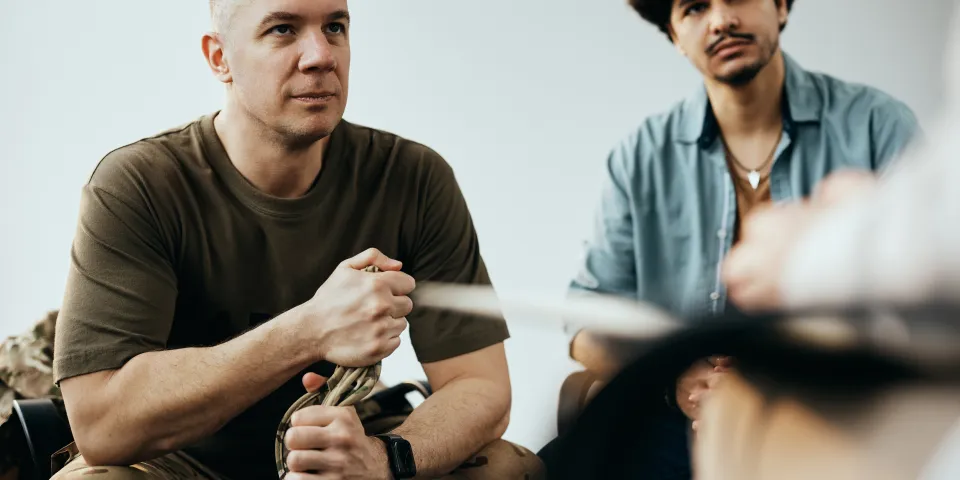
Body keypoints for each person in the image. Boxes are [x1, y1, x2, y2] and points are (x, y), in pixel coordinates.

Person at [49, 1, 543, 479]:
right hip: (180, 458)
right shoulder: (137, 184)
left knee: (507, 466)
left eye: (335, 27)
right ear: (219, 57)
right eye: (283, 29)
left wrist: (385, 458)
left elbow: (479, 384)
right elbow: (101, 425)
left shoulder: (413, 177)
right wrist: (310, 328)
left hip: (348, 439)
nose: (321, 55)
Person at [557, 0, 921, 477]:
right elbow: (587, 317)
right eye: (694, 8)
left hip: (835, 411)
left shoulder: (879, 126)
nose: (722, 19)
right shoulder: (640, 157)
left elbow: (931, 302)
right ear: (674, 34)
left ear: (783, 7)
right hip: (682, 416)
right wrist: (676, 375)